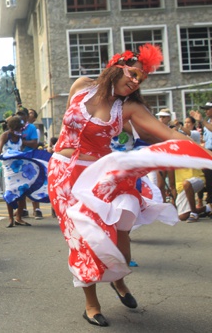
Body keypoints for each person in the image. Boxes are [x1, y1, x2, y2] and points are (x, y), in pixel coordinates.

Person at [48, 44, 203, 327]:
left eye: (140, 79)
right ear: (117, 67)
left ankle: (118, 280)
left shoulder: (128, 107)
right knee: (82, 236)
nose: (135, 81)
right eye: (133, 73)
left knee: (115, 234)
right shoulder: (82, 86)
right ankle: (91, 304)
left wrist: (201, 150)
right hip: (63, 172)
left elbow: (167, 132)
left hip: (99, 174)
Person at [0, 116, 31, 227]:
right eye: (18, 128)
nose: (19, 131)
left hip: (19, 167)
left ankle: (19, 217)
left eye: (21, 129)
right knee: (9, 192)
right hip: (8, 168)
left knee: (22, 191)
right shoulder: (5, 135)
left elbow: (20, 150)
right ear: (12, 128)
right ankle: (10, 218)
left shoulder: (20, 137)